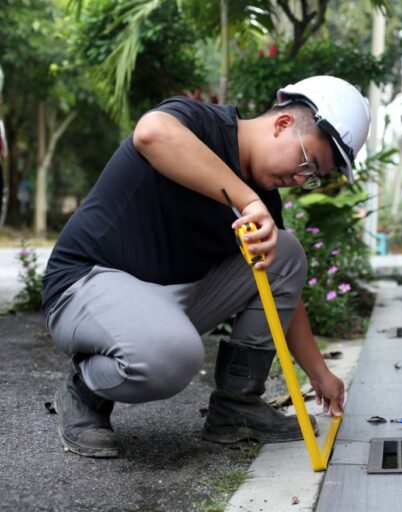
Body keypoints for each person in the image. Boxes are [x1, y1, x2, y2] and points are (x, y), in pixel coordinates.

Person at [41, 75, 371, 458]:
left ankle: (236, 406)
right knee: (173, 357)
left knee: (284, 251)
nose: (300, 180)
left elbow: (278, 292)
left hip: (164, 298)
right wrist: (248, 202)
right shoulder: (200, 123)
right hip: (84, 284)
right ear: (282, 125)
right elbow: (149, 133)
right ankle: (82, 389)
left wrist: (319, 373)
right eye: (307, 163)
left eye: (311, 177)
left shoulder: (265, 198)